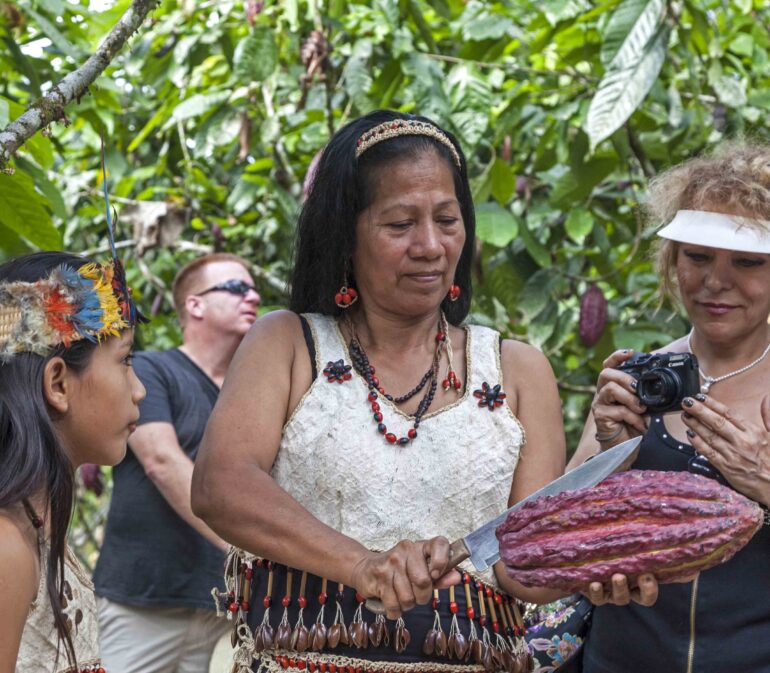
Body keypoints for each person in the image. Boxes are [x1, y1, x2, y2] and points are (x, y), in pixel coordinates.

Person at [191, 110, 566, 673]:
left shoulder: (518, 371)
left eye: (447, 219)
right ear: (345, 236)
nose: (431, 245)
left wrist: (599, 543)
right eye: (399, 225)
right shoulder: (288, 345)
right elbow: (221, 485)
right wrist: (364, 566)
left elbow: (523, 566)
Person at [568, 144, 770, 672]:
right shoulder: (640, 379)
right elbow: (561, 534)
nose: (716, 282)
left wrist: (763, 482)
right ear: (672, 258)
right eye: (697, 257)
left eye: (748, 262)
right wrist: (613, 449)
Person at [93, 253, 261, 673]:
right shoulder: (151, 370)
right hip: (143, 603)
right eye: (238, 287)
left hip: (221, 608)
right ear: (195, 305)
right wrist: (250, 552)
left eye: (254, 287)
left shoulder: (254, 391)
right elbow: (162, 462)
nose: (253, 296)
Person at [0, 250, 146, 673]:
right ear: (58, 383)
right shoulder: (9, 545)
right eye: (125, 360)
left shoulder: (38, 531)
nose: (139, 390)